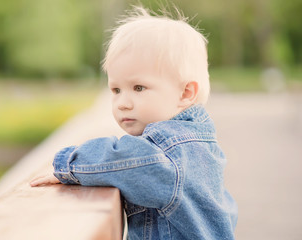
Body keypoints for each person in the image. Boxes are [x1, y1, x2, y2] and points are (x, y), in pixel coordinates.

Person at [30, 6, 238, 240]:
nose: (122, 103)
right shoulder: (198, 143)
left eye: (139, 88)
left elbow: (124, 158)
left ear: (185, 93)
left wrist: (68, 164)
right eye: (116, 90)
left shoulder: (171, 153)